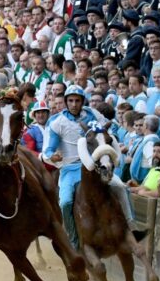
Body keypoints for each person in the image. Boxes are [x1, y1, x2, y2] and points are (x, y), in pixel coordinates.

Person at [44, 85, 136, 248]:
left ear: (82, 101)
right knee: (65, 202)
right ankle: (72, 238)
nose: (74, 104)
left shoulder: (92, 114)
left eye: (77, 101)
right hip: (71, 169)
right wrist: (53, 156)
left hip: (96, 167)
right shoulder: (57, 122)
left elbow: (108, 130)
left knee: (120, 186)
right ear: (66, 102)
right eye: (70, 101)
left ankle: (130, 226)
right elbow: (49, 150)